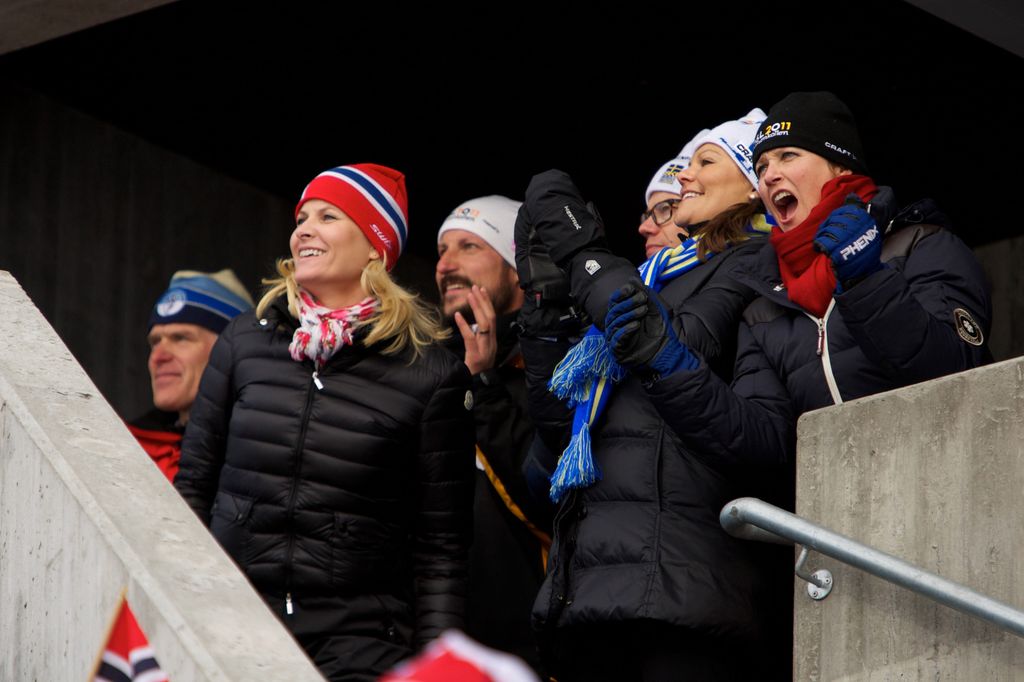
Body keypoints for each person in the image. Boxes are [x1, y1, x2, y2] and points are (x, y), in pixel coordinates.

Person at [175, 163, 476, 682]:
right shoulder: (244, 342)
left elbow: (440, 550)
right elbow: (192, 491)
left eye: (328, 215)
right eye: (302, 217)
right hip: (235, 626)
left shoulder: (430, 374)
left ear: (375, 247)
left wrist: (435, 667)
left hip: (359, 645)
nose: (304, 229)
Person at [516, 109, 780, 681]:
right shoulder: (659, 272)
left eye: (705, 162)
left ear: (750, 184)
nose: (684, 175)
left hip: (679, 588)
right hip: (592, 585)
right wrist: (544, 307)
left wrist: (584, 254)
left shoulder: (754, 259)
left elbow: (674, 341)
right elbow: (560, 429)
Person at [625, 91, 991, 475]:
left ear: (840, 167)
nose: (769, 174)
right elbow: (765, 443)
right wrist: (675, 370)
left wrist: (867, 280)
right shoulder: (765, 303)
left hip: (956, 489)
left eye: (788, 156)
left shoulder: (922, 244)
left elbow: (955, 372)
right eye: (762, 164)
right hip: (839, 515)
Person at [435, 196, 552, 674]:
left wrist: (482, 384)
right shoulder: (428, 373)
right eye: (442, 250)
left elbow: (549, 500)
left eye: (468, 246)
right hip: (440, 641)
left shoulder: (558, 368)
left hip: (525, 651)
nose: (445, 265)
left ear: (515, 269)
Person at [127, 268, 253, 482]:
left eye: (181, 338)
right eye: (155, 341)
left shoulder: (260, 456)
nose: (158, 356)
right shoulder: (127, 449)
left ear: (230, 352)